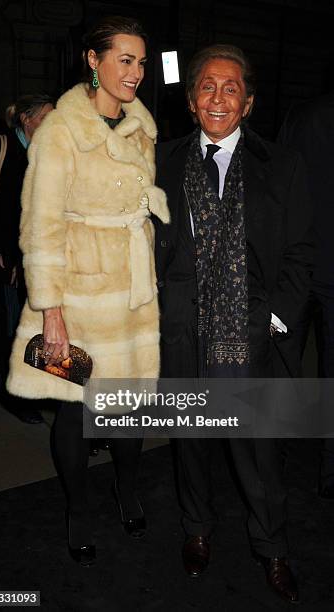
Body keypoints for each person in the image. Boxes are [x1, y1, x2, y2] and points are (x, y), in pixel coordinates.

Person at [6, 16, 169, 566]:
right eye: (124, 59)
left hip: (132, 289)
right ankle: (78, 507)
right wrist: (51, 312)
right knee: (77, 409)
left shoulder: (141, 126)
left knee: (126, 407)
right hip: (78, 294)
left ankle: (127, 486)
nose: (136, 72)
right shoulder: (60, 129)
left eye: (142, 61)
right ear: (92, 61)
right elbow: (40, 223)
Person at [154, 44, 313, 603]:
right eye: (207, 87)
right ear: (192, 100)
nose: (218, 97)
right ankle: (196, 529)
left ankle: (271, 547)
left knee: (259, 450)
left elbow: (299, 252)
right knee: (190, 443)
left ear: (247, 103)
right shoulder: (160, 160)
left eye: (231, 88)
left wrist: (273, 319)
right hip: (180, 328)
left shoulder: (283, 165)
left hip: (250, 330)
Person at [0, 94, 53, 423]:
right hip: (6, 259)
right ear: (27, 119)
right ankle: (15, 397)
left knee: (33, 325)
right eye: (47, 117)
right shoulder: (2, 146)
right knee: (14, 327)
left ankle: (33, 388)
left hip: (33, 258)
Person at [278, 93, 334, 499]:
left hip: (296, 262)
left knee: (284, 366)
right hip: (318, 263)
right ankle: (330, 473)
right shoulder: (306, 115)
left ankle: (273, 459)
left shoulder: (300, 114)